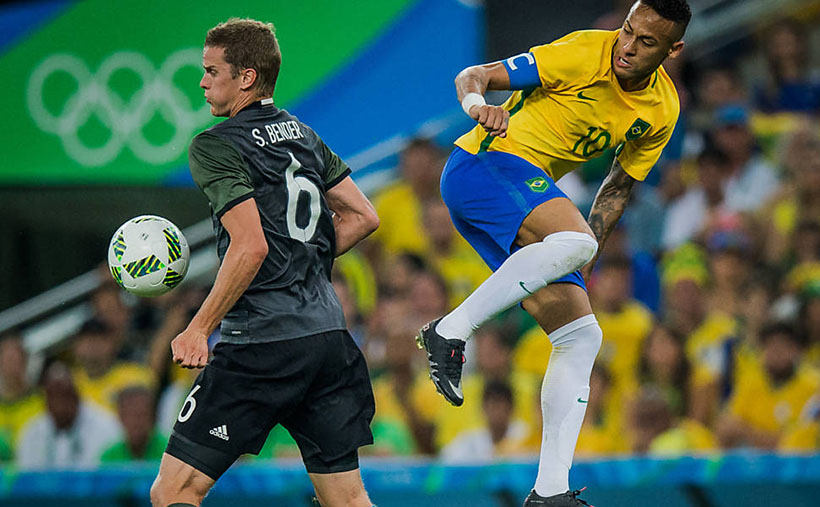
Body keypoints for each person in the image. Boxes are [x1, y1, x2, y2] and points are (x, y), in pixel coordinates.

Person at [414, 1, 691, 504]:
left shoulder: (662, 111)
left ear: (674, 49)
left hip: (518, 200)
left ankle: (550, 493)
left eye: (646, 42)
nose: (627, 47)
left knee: (582, 335)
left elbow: (617, 188)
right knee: (576, 239)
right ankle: (449, 330)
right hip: (485, 165)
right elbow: (472, 75)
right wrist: (478, 108)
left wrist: (580, 260)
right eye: (627, 31)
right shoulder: (584, 51)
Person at [149, 18, 380, 507]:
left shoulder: (214, 145)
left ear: (247, 77)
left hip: (262, 345)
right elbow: (363, 216)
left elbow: (250, 245)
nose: (203, 81)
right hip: (328, 341)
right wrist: (303, 258)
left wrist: (198, 328)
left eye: (212, 71)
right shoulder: (303, 134)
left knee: (174, 492)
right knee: (348, 499)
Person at [16, 362, 120, 469]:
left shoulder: (106, 426)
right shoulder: (32, 432)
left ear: (77, 395)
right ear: (45, 400)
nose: (60, 403)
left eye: (65, 395)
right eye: (53, 396)